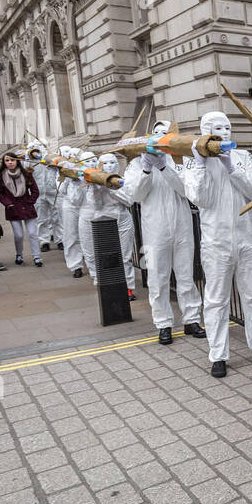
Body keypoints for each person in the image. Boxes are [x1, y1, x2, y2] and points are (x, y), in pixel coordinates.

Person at [185, 109, 252, 377]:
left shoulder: (243, 157)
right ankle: (218, 354)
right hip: (216, 241)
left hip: (246, 236)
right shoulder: (195, 162)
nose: (224, 133)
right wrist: (204, 165)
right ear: (205, 131)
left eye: (227, 127)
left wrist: (232, 168)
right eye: (217, 128)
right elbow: (199, 198)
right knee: (216, 299)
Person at [121, 122, 204, 345]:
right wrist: (147, 169)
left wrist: (164, 168)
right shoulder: (137, 164)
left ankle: (192, 319)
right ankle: (164, 323)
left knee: (186, 275)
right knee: (158, 277)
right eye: (156, 133)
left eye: (164, 133)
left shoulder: (179, 160)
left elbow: (186, 190)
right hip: (154, 227)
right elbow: (135, 195)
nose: (160, 137)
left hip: (182, 224)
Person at [78, 151, 135, 298]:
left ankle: (128, 286)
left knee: (125, 255)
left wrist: (112, 188)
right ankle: (106, 283)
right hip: (104, 219)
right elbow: (95, 205)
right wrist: (96, 188)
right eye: (105, 163)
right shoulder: (95, 184)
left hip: (123, 217)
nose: (109, 166)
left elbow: (129, 201)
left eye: (112, 162)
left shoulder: (124, 180)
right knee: (106, 255)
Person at [0, 151, 42, 266]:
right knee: (18, 235)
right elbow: (0, 193)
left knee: (32, 233)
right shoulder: (1, 175)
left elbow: (35, 190)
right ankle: (19, 254)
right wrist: (8, 204)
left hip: (27, 207)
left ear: (17, 161)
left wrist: (30, 201)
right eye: (7, 160)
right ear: (4, 162)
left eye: (12, 160)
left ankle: (36, 257)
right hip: (12, 208)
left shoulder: (26, 173)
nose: (10, 162)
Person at [58, 146, 87, 277]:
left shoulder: (88, 167)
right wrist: (68, 177)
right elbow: (61, 190)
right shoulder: (63, 170)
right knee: (71, 234)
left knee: (87, 234)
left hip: (86, 205)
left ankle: (90, 261)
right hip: (69, 206)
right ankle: (76, 265)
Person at [28, 140, 61, 251]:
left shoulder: (51, 158)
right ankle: (44, 241)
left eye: (40, 146)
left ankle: (60, 239)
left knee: (57, 217)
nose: (37, 149)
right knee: (41, 218)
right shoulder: (29, 160)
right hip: (38, 193)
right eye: (34, 147)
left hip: (53, 192)